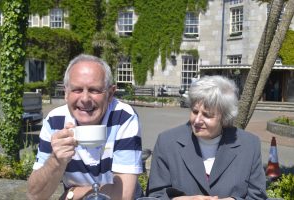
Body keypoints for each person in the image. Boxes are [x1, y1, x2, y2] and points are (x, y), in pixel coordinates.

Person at [27, 54, 143, 200]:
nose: (85, 99)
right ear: (66, 93)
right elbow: (35, 195)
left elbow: (123, 195)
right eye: (77, 90)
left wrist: (74, 193)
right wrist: (56, 160)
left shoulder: (123, 116)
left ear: (110, 94)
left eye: (94, 90)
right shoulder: (55, 121)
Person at [147, 75, 267, 200]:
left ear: (225, 117)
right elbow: (155, 195)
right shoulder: (167, 142)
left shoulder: (249, 145)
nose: (197, 120)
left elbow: (257, 195)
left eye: (207, 115)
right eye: (194, 111)